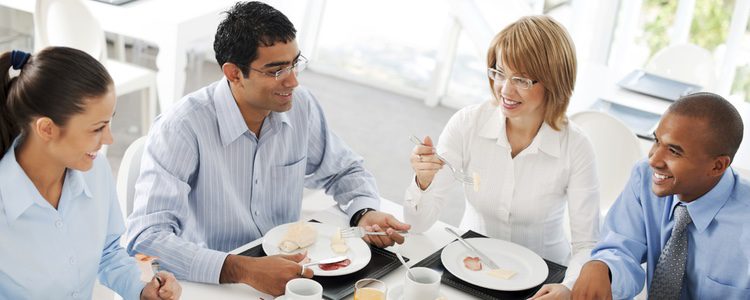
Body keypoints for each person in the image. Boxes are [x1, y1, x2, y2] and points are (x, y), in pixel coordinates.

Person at [125, 1, 410, 296]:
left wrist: (363, 212)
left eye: (294, 63)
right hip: (215, 281)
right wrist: (243, 269)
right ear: (234, 73)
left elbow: (344, 169)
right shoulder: (182, 128)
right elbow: (146, 237)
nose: (293, 80)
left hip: (293, 271)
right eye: (276, 71)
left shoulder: (301, 107)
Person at [405, 15, 599, 298]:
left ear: (554, 81)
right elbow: (418, 224)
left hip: (544, 281)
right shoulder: (467, 124)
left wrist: (568, 288)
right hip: (467, 268)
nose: (505, 90)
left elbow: (588, 244)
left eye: (521, 79)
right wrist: (423, 182)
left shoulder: (577, 146)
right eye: (499, 72)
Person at [0, 47, 181, 299]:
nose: (108, 139)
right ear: (47, 129)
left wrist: (142, 290)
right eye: (97, 128)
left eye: (109, 122)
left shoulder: (94, 171)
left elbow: (107, 252)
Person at [572, 92, 749, 299]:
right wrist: (603, 268)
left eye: (674, 151)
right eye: (657, 141)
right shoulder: (645, 178)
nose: (654, 159)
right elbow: (622, 249)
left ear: (718, 166)